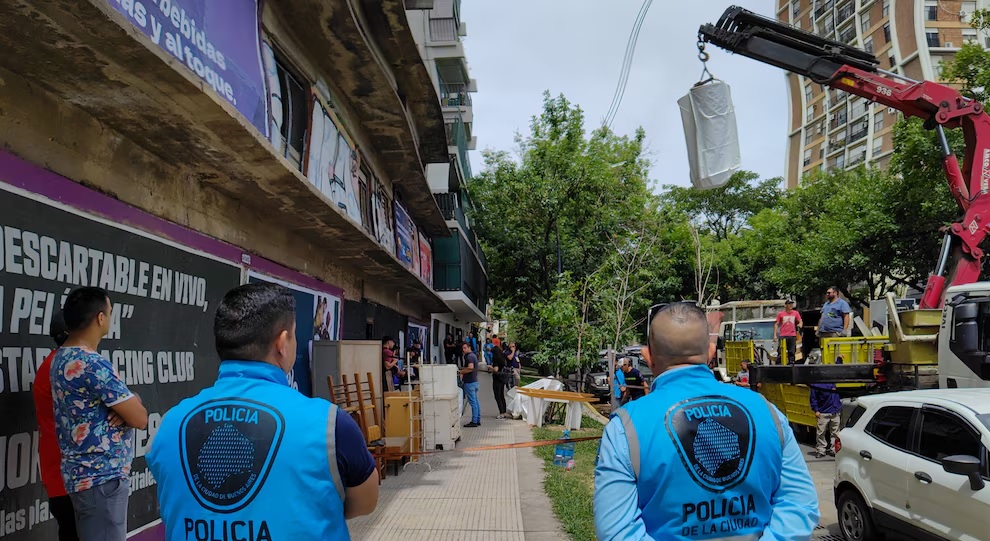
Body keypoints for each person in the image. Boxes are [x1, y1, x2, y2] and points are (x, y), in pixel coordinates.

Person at [148, 283, 379, 540]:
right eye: (293, 335)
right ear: (282, 343)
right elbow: (366, 502)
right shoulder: (330, 425)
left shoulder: (169, 426)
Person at [594, 302, 819, 540]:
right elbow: (800, 504)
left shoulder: (625, 428)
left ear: (647, 356)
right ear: (711, 352)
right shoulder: (768, 413)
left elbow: (617, 532)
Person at [51, 287, 149, 541]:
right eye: (110, 311)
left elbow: (128, 406)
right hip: (101, 480)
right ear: (100, 318)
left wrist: (126, 405)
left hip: (84, 478)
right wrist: (128, 407)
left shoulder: (62, 357)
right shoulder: (91, 363)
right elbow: (140, 418)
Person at [31, 311, 78, 541]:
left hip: (64, 478)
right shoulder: (67, 367)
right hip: (72, 480)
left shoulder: (53, 365)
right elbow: (131, 411)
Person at [810, 383, 841, 458]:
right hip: (823, 412)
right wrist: (816, 410)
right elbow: (813, 398)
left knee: (835, 432)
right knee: (821, 433)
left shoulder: (832, 382)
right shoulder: (816, 385)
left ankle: (834, 450)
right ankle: (821, 450)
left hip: (835, 411)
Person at [774, 299, 803, 364]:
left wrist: (800, 324)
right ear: (786, 305)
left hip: (792, 335)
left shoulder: (795, 313)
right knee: (780, 350)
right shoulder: (781, 314)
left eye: (791, 304)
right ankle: (779, 364)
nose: (790, 305)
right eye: (789, 304)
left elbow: (800, 320)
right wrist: (775, 335)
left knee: (792, 351)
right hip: (783, 335)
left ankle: (791, 363)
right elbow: (776, 324)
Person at [459, 342, 481, 427]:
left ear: (469, 347)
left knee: (473, 403)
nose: (463, 350)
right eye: (463, 348)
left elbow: (470, 368)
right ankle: (477, 419)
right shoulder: (474, 355)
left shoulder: (469, 357)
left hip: (469, 382)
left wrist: (461, 372)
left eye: (465, 348)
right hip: (475, 381)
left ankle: (474, 421)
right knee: (476, 401)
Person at [490, 344, 509, 419]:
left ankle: (501, 413)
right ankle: (504, 411)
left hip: (497, 379)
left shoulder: (496, 360)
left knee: (497, 396)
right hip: (502, 379)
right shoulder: (502, 358)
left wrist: (490, 367)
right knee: (501, 395)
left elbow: (495, 370)